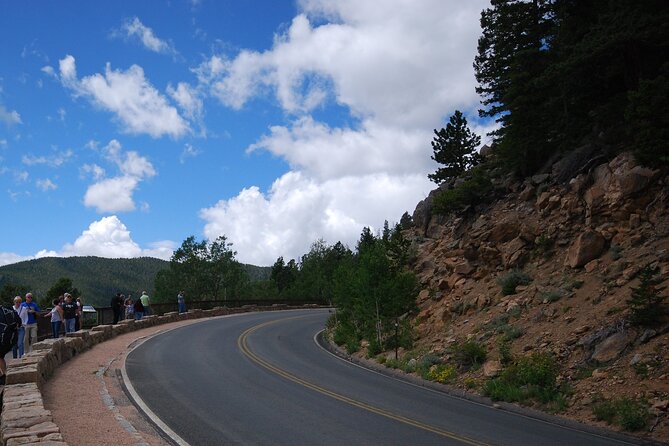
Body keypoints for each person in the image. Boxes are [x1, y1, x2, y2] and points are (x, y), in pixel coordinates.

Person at [0, 304, 21, 384]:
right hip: (11, 338)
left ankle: (3, 377)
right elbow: (19, 322)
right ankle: (4, 375)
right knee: (1, 356)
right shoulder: (7, 309)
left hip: (2, 339)